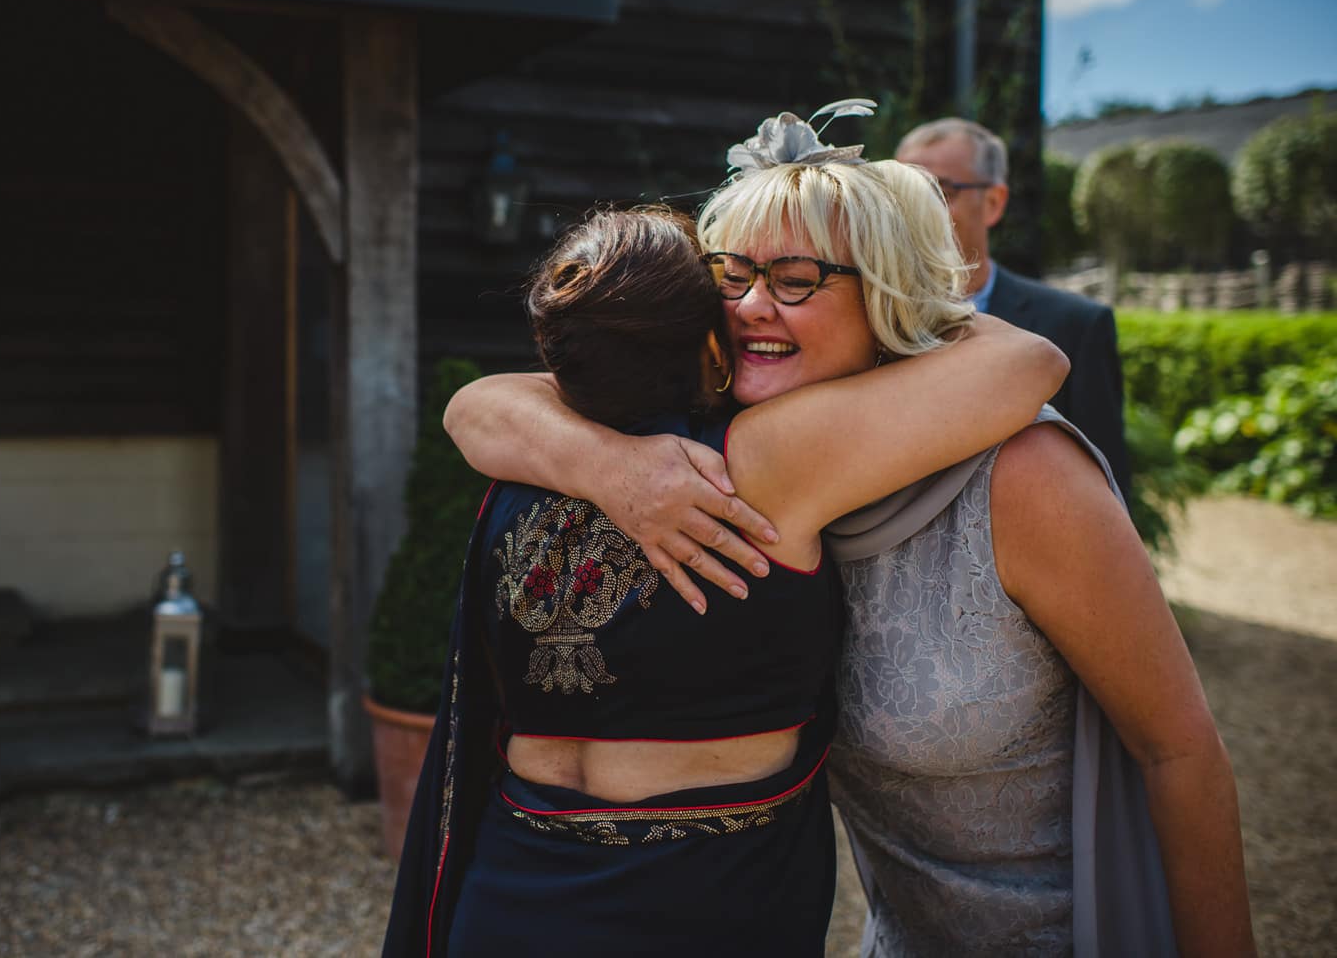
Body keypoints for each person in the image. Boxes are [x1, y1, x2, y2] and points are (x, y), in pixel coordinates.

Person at [441, 109, 1256, 956]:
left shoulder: (1023, 476)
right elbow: (480, 405)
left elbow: (1180, 750)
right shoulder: (715, 451)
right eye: (732, 272)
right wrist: (613, 467)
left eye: (796, 277)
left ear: (885, 295)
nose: (753, 303)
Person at [382, 175, 1071, 956]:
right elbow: (1030, 361)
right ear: (704, 330)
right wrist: (906, 290)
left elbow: (470, 404)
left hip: (508, 890)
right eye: (730, 281)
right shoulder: (762, 464)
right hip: (699, 901)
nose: (748, 305)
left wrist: (603, 459)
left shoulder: (515, 476)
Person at [895, 117, 1132, 499]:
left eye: (940, 191)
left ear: (992, 203)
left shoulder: (1076, 326)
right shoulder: (870, 319)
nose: (915, 212)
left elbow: (1107, 482)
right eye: (902, 193)